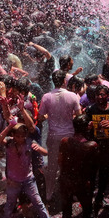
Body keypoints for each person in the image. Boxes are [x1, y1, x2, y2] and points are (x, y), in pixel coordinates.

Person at [0, 121, 56, 218]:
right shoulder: (9, 142)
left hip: (29, 180)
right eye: (17, 136)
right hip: (13, 181)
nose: (20, 138)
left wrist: (38, 148)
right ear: (13, 135)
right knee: (10, 204)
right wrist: (9, 126)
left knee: (39, 203)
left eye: (23, 136)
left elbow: (45, 153)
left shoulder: (29, 142)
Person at [38, 69, 82, 202]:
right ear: (64, 81)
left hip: (53, 136)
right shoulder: (73, 96)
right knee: (69, 165)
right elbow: (79, 116)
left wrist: (48, 115)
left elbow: (40, 118)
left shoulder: (46, 97)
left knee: (52, 166)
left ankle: (49, 194)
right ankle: (72, 193)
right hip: (69, 135)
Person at [58, 114, 100, 218]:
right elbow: (95, 167)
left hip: (66, 181)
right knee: (88, 211)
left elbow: (60, 161)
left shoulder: (65, 142)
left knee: (66, 211)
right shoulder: (92, 145)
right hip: (83, 182)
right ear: (87, 126)